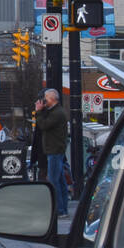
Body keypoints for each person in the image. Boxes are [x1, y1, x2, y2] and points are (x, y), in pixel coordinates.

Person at [36, 88, 69, 216]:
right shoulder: (56, 111)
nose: (44, 101)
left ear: (52, 99)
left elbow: (43, 125)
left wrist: (38, 112)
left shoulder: (57, 113)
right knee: (60, 181)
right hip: (55, 150)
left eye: (46, 98)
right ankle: (62, 209)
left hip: (54, 150)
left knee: (54, 181)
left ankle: (60, 210)